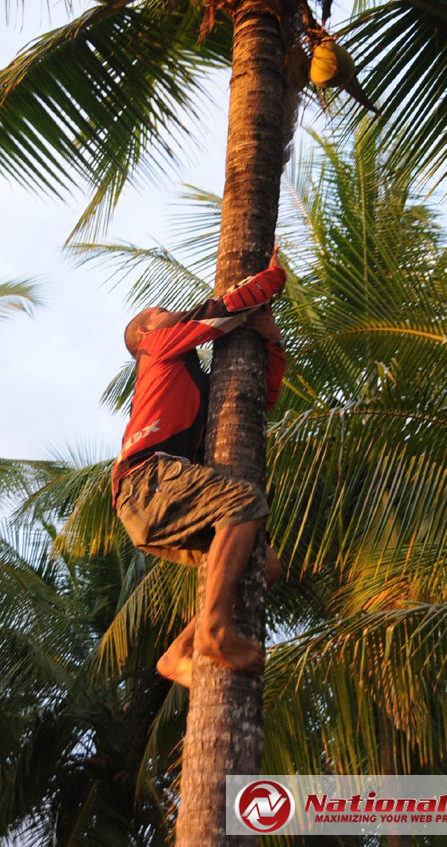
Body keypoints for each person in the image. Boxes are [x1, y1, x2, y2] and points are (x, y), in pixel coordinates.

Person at [111, 247, 286, 688]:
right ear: (144, 332)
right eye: (162, 311)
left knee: (264, 564)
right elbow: (216, 315)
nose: (173, 312)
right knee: (244, 501)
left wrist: (271, 339)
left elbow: (260, 400)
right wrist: (271, 281)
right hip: (146, 481)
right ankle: (213, 629)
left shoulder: (190, 382)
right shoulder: (156, 349)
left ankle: (178, 651)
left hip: (155, 502)